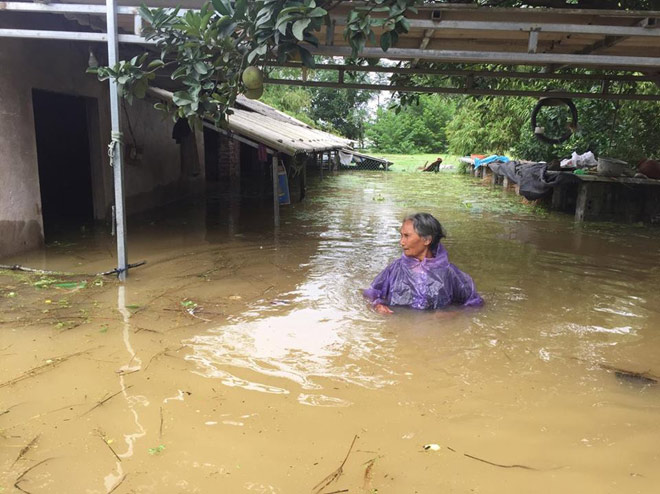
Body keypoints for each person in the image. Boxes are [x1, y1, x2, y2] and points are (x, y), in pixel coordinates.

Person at [364, 213, 483, 314]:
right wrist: (378, 305)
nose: (401, 242)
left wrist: (453, 314)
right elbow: (372, 293)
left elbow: (474, 303)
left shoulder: (449, 273)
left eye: (406, 236)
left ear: (427, 240)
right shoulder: (395, 269)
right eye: (401, 235)